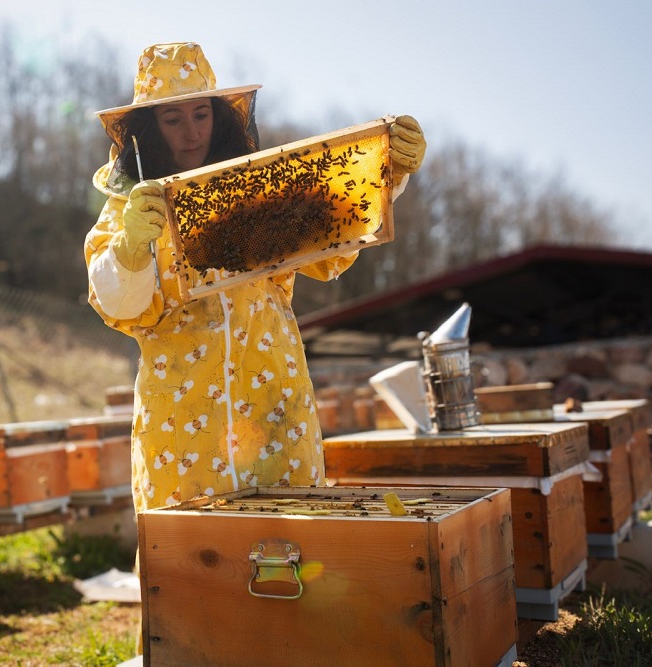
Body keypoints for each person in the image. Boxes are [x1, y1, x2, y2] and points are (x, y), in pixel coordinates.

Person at [85, 42, 426, 513]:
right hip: (181, 421)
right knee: (188, 558)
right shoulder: (125, 209)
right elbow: (119, 305)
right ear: (148, 128)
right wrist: (130, 246)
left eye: (200, 114)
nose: (191, 133)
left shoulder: (257, 190)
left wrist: (389, 173)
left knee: (291, 547)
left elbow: (333, 234)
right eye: (173, 119)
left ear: (219, 116)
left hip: (273, 398)